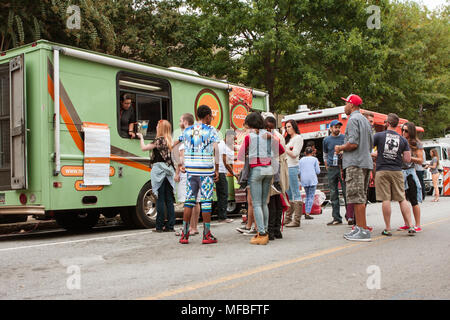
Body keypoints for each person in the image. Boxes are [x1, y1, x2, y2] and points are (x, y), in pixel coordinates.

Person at [174, 105, 220, 244]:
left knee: (189, 201)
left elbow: (174, 145)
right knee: (206, 201)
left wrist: (181, 164)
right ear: (207, 116)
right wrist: (216, 169)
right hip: (205, 171)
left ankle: (184, 234)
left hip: (191, 171)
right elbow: (216, 151)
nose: (211, 119)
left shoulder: (187, 131)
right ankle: (206, 235)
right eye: (211, 116)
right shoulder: (211, 130)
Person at [238, 112, 285, 245]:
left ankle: (262, 233)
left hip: (256, 171)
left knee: (257, 203)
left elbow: (241, 156)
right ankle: (266, 232)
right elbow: (280, 151)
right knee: (264, 203)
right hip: (269, 170)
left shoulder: (249, 137)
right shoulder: (269, 135)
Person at [335, 94, 374, 242]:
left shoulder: (353, 120)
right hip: (365, 161)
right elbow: (370, 144)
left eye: (346, 103)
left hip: (355, 163)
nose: (344, 106)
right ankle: (359, 228)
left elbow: (353, 144)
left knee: (357, 198)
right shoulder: (365, 120)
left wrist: (340, 148)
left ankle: (363, 230)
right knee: (361, 197)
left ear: (352, 105)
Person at [372, 113, 416, 237]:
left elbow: (368, 148)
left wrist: (379, 154)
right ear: (397, 125)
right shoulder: (402, 139)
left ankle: (387, 228)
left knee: (386, 199)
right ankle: (411, 226)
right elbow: (407, 159)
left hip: (382, 170)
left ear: (388, 123)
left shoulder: (379, 136)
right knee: (402, 198)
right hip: (397, 170)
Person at [137, 120, 175, 232]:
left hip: (159, 172)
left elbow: (144, 148)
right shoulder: (170, 141)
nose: (156, 126)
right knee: (169, 200)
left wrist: (141, 138)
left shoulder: (158, 140)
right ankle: (170, 226)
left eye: (158, 125)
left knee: (159, 198)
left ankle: (159, 226)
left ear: (161, 128)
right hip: (169, 172)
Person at [174, 113, 201, 235]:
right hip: (198, 171)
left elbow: (182, 157)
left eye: (180, 120)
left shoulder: (184, 136)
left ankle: (189, 228)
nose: (179, 122)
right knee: (196, 201)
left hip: (188, 171)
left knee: (189, 201)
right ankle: (194, 227)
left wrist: (178, 170)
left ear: (185, 122)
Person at [264, 115, 289, 240]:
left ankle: (271, 230)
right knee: (278, 199)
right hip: (280, 168)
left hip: (273, 169)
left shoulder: (271, 137)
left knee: (272, 201)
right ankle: (277, 229)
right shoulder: (278, 136)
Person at [398, 122, 423, 233]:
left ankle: (417, 224)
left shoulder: (416, 143)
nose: (403, 132)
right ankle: (407, 223)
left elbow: (420, 160)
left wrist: (408, 157)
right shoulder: (399, 141)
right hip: (399, 173)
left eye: (406, 131)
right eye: (403, 130)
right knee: (402, 200)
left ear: (411, 132)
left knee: (413, 200)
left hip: (410, 173)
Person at [323, 119, 347, 225]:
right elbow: (325, 153)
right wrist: (327, 165)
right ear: (331, 128)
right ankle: (336, 217)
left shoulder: (344, 138)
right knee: (333, 193)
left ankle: (350, 216)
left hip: (342, 166)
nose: (337, 129)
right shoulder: (326, 140)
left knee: (346, 192)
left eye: (338, 127)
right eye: (335, 127)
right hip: (332, 167)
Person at [284, 119, 304, 227]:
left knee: (295, 191)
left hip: (292, 166)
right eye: (286, 127)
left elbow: (295, 154)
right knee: (289, 193)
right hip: (285, 167)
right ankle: (288, 217)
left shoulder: (298, 138)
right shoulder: (287, 139)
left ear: (294, 127)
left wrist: (284, 148)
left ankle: (296, 220)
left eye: (289, 126)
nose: (288, 129)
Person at [216, 130, 237, 223]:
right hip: (220, 172)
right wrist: (233, 173)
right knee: (224, 194)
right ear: (228, 137)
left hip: (220, 171)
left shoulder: (221, 144)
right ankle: (223, 217)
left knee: (221, 194)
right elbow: (225, 162)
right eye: (232, 139)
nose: (233, 141)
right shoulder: (222, 145)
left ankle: (221, 216)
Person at [298, 147, 320, 219]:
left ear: (305, 153)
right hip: (312, 179)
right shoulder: (315, 159)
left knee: (307, 196)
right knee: (311, 196)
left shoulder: (301, 160)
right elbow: (318, 171)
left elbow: (299, 171)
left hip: (304, 179)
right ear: (312, 152)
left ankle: (306, 211)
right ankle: (307, 212)